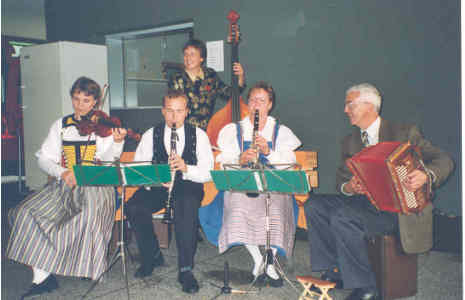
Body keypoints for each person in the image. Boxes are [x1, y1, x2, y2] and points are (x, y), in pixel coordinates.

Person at [304, 83, 454, 300]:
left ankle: (366, 288)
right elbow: (341, 183)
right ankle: (334, 271)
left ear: (369, 106)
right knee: (314, 205)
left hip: (397, 210)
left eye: (349, 104)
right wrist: (349, 187)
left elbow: (445, 160)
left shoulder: (404, 133)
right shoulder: (350, 141)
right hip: (363, 204)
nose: (345, 110)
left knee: (342, 217)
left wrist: (426, 175)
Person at [6, 76, 127, 298]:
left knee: (89, 215)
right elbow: (44, 158)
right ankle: (42, 277)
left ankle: (85, 267)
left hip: (96, 186)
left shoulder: (104, 128)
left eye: (86, 100)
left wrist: (117, 143)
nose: (80, 105)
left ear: (96, 102)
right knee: (24, 212)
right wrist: (62, 172)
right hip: (64, 184)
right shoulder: (61, 125)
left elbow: (110, 161)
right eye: (76, 99)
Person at [125, 90, 214, 294]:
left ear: (187, 112)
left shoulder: (199, 135)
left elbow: (208, 172)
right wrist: (155, 178)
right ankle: (152, 255)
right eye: (170, 111)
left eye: (179, 111)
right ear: (163, 111)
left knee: (186, 206)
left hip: (188, 184)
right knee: (134, 207)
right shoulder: (151, 134)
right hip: (158, 185)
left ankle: (185, 270)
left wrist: (185, 168)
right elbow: (139, 168)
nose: (174, 116)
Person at [215, 81, 301, 287]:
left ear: (270, 105)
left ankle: (270, 260)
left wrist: (268, 152)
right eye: (253, 99)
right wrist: (239, 158)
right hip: (244, 182)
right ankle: (258, 259)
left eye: (261, 101)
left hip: (273, 182)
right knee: (237, 205)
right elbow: (221, 159)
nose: (256, 104)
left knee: (277, 207)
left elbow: (290, 163)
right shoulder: (234, 129)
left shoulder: (280, 131)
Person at [168, 38, 245, 130]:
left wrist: (240, 77)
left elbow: (229, 94)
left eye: (192, 54)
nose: (188, 58)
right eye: (185, 54)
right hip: (183, 130)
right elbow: (172, 108)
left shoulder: (210, 75)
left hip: (207, 132)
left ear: (201, 58)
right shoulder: (175, 79)